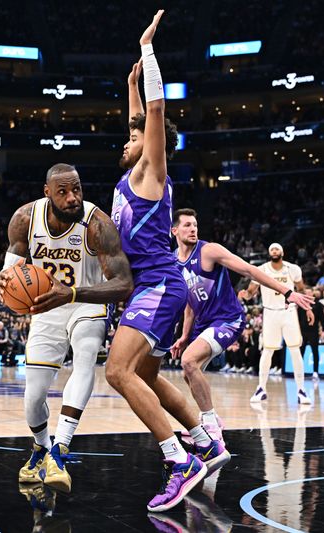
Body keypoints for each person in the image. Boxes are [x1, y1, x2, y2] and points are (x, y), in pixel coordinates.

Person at [105, 11, 222, 512]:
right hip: (150, 285)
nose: (125, 140)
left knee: (117, 372)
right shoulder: (135, 173)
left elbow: (154, 112)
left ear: (150, 148)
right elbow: (139, 116)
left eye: (134, 138)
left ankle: (179, 460)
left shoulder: (152, 171)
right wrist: (130, 85)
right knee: (147, 375)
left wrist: (148, 52)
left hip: (157, 284)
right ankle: (204, 440)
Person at [0, 163, 133, 494]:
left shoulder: (96, 224)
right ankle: (41, 448)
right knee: (33, 396)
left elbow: (123, 282)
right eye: (63, 192)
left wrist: (71, 293)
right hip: (46, 306)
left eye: (77, 190)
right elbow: (10, 273)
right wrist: (5, 280)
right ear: (47, 193)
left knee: (85, 356)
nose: (72, 198)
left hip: (87, 300)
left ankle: (61, 447)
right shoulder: (25, 219)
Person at [170, 209, 313, 446]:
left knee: (188, 361)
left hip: (228, 318)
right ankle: (212, 417)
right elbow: (189, 303)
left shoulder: (209, 250)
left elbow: (249, 270)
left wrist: (287, 292)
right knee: (189, 370)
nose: (193, 229)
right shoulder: (174, 261)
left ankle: (210, 426)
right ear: (174, 230)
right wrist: (185, 335)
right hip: (204, 323)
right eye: (186, 225)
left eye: (195, 225)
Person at [240, 243, 315, 404]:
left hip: (289, 311)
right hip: (270, 312)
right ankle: (261, 389)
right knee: (267, 350)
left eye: (277, 249)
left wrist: (308, 308)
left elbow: (301, 291)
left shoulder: (292, 269)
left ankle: (301, 390)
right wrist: (245, 295)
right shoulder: (261, 270)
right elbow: (251, 292)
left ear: (282, 252)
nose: (274, 251)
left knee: (295, 350)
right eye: (271, 249)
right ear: (269, 253)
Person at [299, 288, 324, 381]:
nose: (308, 294)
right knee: (300, 352)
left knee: (315, 351)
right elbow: (298, 319)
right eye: (306, 293)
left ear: (312, 294)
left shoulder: (318, 305)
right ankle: (299, 372)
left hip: (313, 331)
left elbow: (322, 318)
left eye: (309, 292)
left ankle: (315, 372)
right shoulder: (301, 304)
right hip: (303, 332)